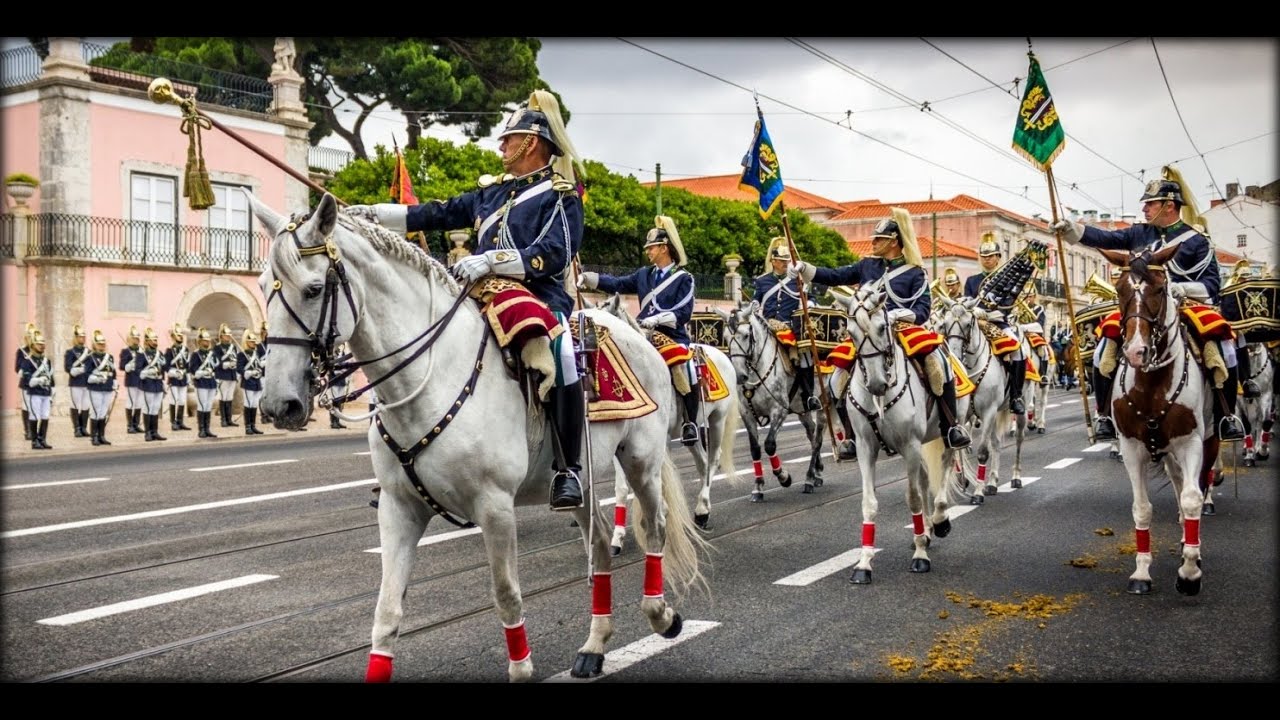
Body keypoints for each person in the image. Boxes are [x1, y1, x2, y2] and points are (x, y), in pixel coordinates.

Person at [345, 89, 588, 512]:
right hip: (477, 293)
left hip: (537, 295)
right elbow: (434, 213)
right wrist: (372, 213)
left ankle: (568, 469)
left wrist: (493, 260)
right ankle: (407, 463)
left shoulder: (561, 195)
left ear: (532, 142)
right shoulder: (490, 193)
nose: (502, 146)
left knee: (562, 350)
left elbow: (554, 253)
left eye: (508, 139)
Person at [1050, 171, 1245, 441]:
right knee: (1102, 350)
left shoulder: (1196, 241)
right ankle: (1105, 414)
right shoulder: (1139, 233)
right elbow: (1105, 239)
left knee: (1224, 348)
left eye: (1150, 203)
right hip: (1143, 305)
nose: (1144, 208)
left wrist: (1182, 289)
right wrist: (1071, 229)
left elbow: (1212, 285)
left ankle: (1227, 416)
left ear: (1169, 205)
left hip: (1186, 305)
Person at [789, 208, 971, 449]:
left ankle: (950, 428)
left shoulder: (915, 272)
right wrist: (806, 269)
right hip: (868, 332)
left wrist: (900, 314)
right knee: (836, 378)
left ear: (894, 241)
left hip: (904, 329)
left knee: (939, 366)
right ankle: (851, 437)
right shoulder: (868, 266)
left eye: (879, 239)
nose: (873, 243)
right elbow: (835, 275)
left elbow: (923, 309)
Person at [579, 215, 702, 446]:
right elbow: (617, 284)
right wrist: (589, 278)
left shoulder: (685, 278)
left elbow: (683, 311)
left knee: (687, 366)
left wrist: (656, 319)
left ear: (664, 248)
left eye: (652, 247)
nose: (648, 251)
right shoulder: (644, 274)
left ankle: (690, 422)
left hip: (672, 335)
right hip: (643, 334)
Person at [752, 237, 822, 413]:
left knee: (805, 356)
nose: (785, 264)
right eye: (781, 261)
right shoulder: (762, 281)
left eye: (786, 261)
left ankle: (809, 395)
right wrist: (754, 304)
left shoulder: (797, 280)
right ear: (773, 261)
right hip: (767, 326)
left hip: (790, 327)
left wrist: (811, 303)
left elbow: (810, 298)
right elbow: (756, 300)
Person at [964, 237, 1028, 415]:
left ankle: (1016, 396)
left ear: (998, 257)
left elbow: (1007, 305)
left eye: (991, 256)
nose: (987, 259)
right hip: (975, 324)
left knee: (1019, 351)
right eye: (984, 256)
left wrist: (987, 314)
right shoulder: (972, 281)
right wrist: (973, 311)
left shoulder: (1007, 279)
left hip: (998, 322)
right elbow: (967, 301)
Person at [18, 329, 54, 450]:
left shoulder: (46, 361)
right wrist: (39, 380)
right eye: (39, 344)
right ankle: (34, 441)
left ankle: (42, 439)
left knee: (45, 415)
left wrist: (52, 390)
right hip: (34, 393)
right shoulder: (27, 361)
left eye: (43, 344)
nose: (42, 346)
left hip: (46, 392)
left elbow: (51, 377)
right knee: (34, 415)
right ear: (33, 345)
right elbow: (28, 381)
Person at [84, 330, 117, 446]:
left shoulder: (109, 357)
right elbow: (86, 375)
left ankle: (102, 436)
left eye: (103, 343)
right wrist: (97, 378)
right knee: (95, 411)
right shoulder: (90, 358)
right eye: (99, 343)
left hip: (107, 387)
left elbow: (113, 372)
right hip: (95, 388)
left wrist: (115, 383)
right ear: (94, 344)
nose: (102, 345)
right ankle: (94, 437)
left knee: (103, 412)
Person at [136, 327, 168, 441]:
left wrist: (163, 379)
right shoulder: (142, 355)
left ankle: (155, 432)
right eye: (153, 340)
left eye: (156, 340)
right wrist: (148, 372)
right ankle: (147, 433)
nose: (155, 342)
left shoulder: (159, 354)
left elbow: (164, 368)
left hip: (158, 384)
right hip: (148, 384)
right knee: (148, 408)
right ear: (147, 341)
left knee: (155, 409)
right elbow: (138, 371)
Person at [190, 327, 220, 439]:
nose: (207, 342)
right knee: (202, 406)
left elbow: (216, 366)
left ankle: (207, 429)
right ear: (200, 341)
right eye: (205, 340)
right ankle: (201, 429)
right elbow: (192, 369)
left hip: (211, 382)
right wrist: (202, 372)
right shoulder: (196, 354)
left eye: (208, 340)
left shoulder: (212, 354)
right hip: (201, 382)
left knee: (208, 406)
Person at [1020, 283, 1050, 387]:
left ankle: (1043, 374)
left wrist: (1025, 327)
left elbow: (1039, 324)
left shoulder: (1039, 309)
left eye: (1030, 297)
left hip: (1034, 334)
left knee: (1043, 350)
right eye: (1026, 297)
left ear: (1034, 297)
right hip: (1020, 333)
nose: (1028, 299)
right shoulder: (1019, 309)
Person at [64, 323, 91, 438]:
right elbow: (67, 367)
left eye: (84, 337)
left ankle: (84, 427)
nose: (82, 339)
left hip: (87, 382)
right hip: (76, 382)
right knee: (75, 405)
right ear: (75, 338)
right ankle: (76, 428)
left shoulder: (89, 352)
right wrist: (78, 370)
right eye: (80, 337)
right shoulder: (70, 352)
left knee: (86, 405)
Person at [238, 328, 267, 435]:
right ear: (247, 342)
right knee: (248, 403)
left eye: (254, 341)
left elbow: (258, 364)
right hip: (248, 382)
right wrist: (248, 373)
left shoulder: (256, 353)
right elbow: (239, 368)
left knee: (254, 404)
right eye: (251, 342)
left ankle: (253, 425)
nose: (253, 343)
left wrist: (260, 367)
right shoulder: (242, 354)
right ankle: (248, 427)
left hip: (256, 382)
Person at [165, 324, 193, 432]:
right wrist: (174, 372)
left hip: (183, 379)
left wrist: (187, 374)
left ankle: (180, 421)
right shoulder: (169, 351)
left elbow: (187, 365)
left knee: (182, 400)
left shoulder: (185, 350)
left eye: (181, 335)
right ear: (173, 337)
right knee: (174, 399)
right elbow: (167, 366)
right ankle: (173, 422)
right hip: (174, 379)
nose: (180, 337)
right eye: (178, 335)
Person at [214, 323, 240, 428]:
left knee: (230, 397)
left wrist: (235, 364)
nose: (228, 336)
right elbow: (215, 361)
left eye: (229, 335)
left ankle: (229, 419)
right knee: (223, 397)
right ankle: (223, 419)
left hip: (232, 374)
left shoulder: (233, 347)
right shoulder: (217, 347)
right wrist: (225, 364)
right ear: (221, 336)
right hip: (223, 374)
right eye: (226, 335)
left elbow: (235, 358)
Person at [119, 325, 144, 434]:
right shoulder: (126, 351)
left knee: (139, 403)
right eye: (134, 338)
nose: (136, 340)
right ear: (130, 339)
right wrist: (129, 364)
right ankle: (129, 426)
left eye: (138, 338)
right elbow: (122, 366)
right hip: (131, 380)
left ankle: (136, 424)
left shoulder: (142, 351)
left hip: (141, 380)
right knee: (130, 402)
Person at [16, 322, 35, 441]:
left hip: (37, 383)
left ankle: (34, 430)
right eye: (29, 336)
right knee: (26, 406)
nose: (31, 339)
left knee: (35, 407)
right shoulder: (21, 351)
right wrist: (25, 363)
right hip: (25, 384)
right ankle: (27, 431)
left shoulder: (38, 349)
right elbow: (17, 368)